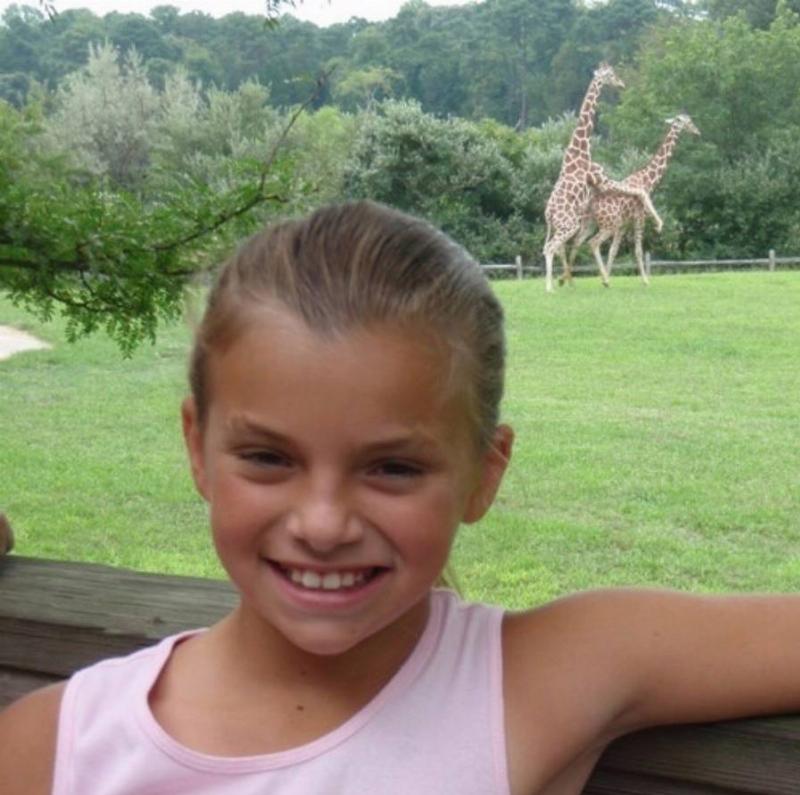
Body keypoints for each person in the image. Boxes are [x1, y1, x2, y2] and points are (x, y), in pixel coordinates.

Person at [1, 200, 798, 795]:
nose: (322, 523)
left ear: (485, 473)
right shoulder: (55, 748)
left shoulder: (540, 676)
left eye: (392, 469)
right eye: (269, 457)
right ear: (196, 448)